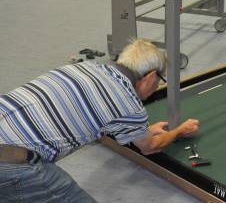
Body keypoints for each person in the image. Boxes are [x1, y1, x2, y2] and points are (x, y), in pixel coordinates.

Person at [0, 39, 199, 202]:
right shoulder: (127, 102)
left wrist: (142, 129)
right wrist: (179, 130)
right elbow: (150, 146)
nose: (157, 86)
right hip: (12, 162)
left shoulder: (87, 67)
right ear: (149, 76)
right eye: (159, 80)